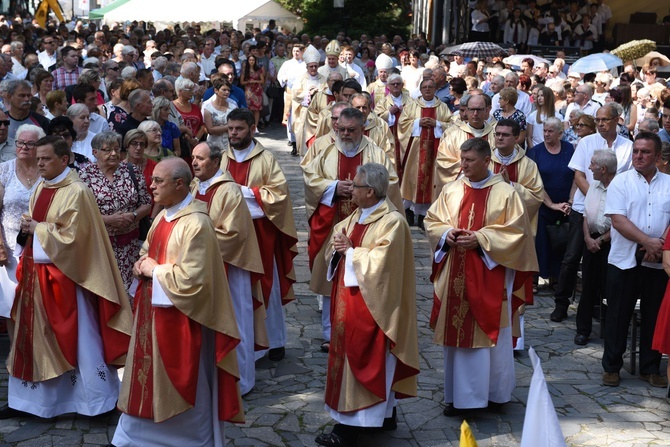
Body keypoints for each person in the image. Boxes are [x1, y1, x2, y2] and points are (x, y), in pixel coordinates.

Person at [112, 157, 244, 446]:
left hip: (184, 320)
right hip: (153, 313)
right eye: (153, 180)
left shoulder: (197, 223)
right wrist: (141, 264)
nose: (151, 185)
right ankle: (135, 436)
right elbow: (148, 249)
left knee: (183, 380)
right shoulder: (163, 216)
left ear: (180, 184)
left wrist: (154, 270)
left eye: (159, 181)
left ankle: (187, 438)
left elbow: (194, 280)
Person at [0, 135, 132, 419]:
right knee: (34, 337)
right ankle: (27, 402)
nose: (40, 164)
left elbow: (76, 240)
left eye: (46, 159)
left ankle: (93, 403)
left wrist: (38, 229)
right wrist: (27, 229)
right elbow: (35, 228)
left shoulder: (77, 191)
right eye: (38, 160)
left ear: (65, 159)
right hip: (37, 277)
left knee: (79, 341)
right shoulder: (41, 187)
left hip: (69, 280)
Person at [426, 137, 537, 416]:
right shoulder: (452, 189)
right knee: (458, 333)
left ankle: (494, 394)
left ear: (487, 161)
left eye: (469, 161)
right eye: (462, 160)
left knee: (494, 337)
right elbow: (432, 219)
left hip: (492, 274)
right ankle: (459, 398)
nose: (462, 165)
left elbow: (518, 234)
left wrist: (482, 239)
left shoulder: (506, 193)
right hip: (456, 273)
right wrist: (445, 234)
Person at [314, 162, 419, 447]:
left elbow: (384, 266)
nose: (350, 188)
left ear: (370, 191)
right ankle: (386, 415)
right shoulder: (356, 215)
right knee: (348, 358)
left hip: (374, 307)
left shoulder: (393, 222)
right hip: (347, 303)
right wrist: (339, 249)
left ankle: (348, 427)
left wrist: (351, 252)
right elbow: (336, 250)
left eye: (356, 185)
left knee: (367, 360)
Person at [303, 107, 402, 353]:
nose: (345, 134)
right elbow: (309, 177)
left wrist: (366, 192)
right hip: (332, 222)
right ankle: (330, 332)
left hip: (369, 226)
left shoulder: (375, 153)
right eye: (341, 129)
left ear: (362, 128)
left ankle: (364, 326)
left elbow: (390, 183)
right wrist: (333, 188)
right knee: (331, 276)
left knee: (366, 273)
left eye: (351, 130)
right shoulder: (325, 149)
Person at [222, 108, 298, 362]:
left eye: (239, 129)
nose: (233, 133)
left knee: (268, 286)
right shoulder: (221, 158)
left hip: (260, 233)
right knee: (238, 290)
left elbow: (278, 195)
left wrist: (242, 193)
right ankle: (244, 343)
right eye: (230, 129)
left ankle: (274, 341)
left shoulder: (266, 159)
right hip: (231, 236)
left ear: (252, 129)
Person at [191, 141, 266, 395]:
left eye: (200, 159)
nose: (194, 163)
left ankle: (241, 381)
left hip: (230, 268)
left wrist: (195, 244)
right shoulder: (194, 186)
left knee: (235, 321)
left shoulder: (229, 191)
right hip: (202, 268)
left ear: (215, 162)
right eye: (193, 158)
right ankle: (212, 378)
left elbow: (234, 234)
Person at [550, 104, 633, 322]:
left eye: (605, 120)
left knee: (603, 263)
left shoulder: (628, 147)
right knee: (572, 257)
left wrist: (611, 205)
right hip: (584, 208)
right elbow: (578, 175)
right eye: (597, 120)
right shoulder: (587, 142)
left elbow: (628, 180)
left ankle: (598, 306)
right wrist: (596, 199)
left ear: (617, 120)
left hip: (615, 214)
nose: (600, 124)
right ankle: (562, 302)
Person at [601, 132, 670, 389]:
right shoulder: (621, 182)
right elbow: (618, 220)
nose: (639, 156)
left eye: (645, 152)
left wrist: (660, 244)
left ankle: (650, 367)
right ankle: (611, 367)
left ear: (658, 157)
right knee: (618, 315)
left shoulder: (669, 183)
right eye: (636, 151)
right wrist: (646, 241)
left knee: (653, 315)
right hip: (624, 260)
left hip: (659, 261)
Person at [490, 119, 544, 349]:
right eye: (498, 134)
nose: (500, 138)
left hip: (516, 236)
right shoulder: (484, 159)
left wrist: (510, 186)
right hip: (489, 234)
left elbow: (537, 196)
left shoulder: (527, 164)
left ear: (516, 138)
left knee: (512, 287)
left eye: (505, 135)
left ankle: (514, 342)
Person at [79, 131, 152, 297]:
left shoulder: (132, 171)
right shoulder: (84, 177)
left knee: (132, 293)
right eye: (107, 150)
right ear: (95, 152)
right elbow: (80, 212)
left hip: (131, 247)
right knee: (105, 294)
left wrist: (132, 215)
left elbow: (146, 204)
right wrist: (107, 219)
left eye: (116, 149)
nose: (113, 154)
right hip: (101, 248)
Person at [574, 150, 616, 346]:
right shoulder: (594, 186)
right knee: (588, 287)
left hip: (611, 243)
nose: (589, 168)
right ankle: (582, 330)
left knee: (609, 288)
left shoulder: (619, 188)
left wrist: (600, 241)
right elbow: (585, 215)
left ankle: (610, 331)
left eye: (592, 164)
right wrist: (587, 238)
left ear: (603, 169)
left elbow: (620, 222)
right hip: (590, 240)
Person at [397, 79, 452, 229]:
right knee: (413, 179)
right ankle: (408, 210)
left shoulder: (443, 107)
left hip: (435, 150)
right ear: (420, 90)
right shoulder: (412, 106)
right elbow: (402, 124)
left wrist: (438, 124)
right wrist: (417, 123)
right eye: (425, 87)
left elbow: (452, 125)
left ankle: (424, 215)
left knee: (431, 180)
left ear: (435, 89)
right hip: (415, 151)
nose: (427, 89)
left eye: (431, 87)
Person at [527, 117, 575, 288]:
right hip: (542, 205)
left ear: (560, 133)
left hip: (566, 206)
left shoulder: (569, 149)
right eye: (544, 131)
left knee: (561, 243)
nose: (546, 134)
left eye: (550, 131)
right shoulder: (536, 152)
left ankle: (557, 281)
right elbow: (533, 181)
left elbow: (576, 175)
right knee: (539, 242)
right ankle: (534, 280)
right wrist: (551, 204)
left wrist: (570, 200)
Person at [0, 124, 43, 280]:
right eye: (20, 142)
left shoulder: (48, 171)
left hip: (43, 250)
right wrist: (0, 247)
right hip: (9, 251)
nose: (24, 147)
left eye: (30, 143)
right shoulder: (3, 170)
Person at [436, 93, 497, 191]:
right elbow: (443, 162)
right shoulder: (453, 136)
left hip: (492, 187)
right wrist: (472, 166)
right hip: (461, 187)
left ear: (486, 111)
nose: (475, 114)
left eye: (479, 109)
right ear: (466, 111)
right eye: (472, 109)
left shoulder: (496, 135)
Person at [374, 73, 412, 182]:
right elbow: (376, 119)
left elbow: (415, 117)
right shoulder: (383, 102)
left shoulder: (410, 101)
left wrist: (404, 112)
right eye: (393, 84)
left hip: (405, 139)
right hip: (389, 138)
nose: (395, 86)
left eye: (398, 84)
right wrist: (389, 112)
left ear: (402, 85)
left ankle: (405, 186)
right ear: (388, 86)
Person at [203, 77, 236, 150]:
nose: (227, 92)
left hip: (230, 144)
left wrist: (219, 128)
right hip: (214, 145)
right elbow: (210, 130)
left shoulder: (233, 107)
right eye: (224, 90)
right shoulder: (208, 108)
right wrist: (229, 127)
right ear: (216, 90)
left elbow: (237, 125)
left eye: (228, 90)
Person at [239, 54, 265, 130]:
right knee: (249, 108)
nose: (251, 62)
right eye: (250, 60)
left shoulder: (258, 69)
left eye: (253, 60)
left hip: (257, 91)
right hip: (249, 91)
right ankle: (249, 125)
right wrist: (248, 82)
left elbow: (262, 81)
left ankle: (255, 126)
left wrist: (255, 81)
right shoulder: (244, 70)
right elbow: (241, 82)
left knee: (256, 109)